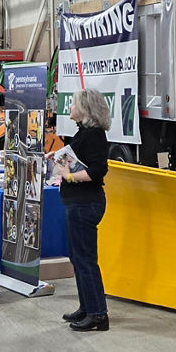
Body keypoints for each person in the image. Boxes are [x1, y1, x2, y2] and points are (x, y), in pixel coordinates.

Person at [57, 87, 112, 332]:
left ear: (85, 109)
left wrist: (69, 177)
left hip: (84, 203)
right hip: (76, 203)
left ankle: (98, 314)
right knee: (77, 258)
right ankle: (87, 306)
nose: (69, 108)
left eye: (73, 104)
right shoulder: (84, 134)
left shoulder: (94, 135)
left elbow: (98, 170)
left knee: (85, 259)